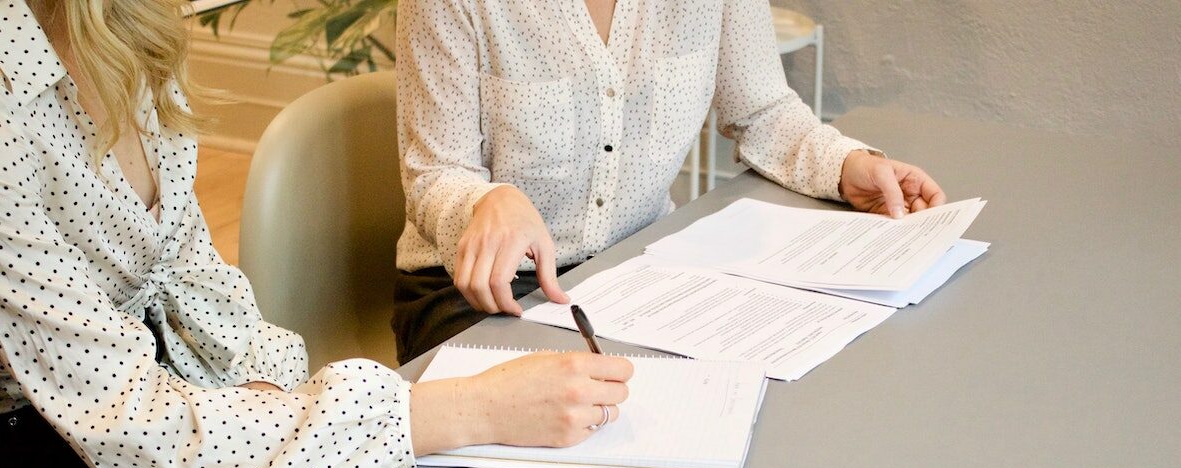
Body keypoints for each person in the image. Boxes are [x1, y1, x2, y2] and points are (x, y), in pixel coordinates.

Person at [0, 0, 632, 468]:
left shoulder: (128, 30)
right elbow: (134, 423)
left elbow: (192, 278)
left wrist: (270, 392)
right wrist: (471, 410)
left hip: (159, 410)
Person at [393, 0, 948, 362]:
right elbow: (434, 172)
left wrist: (847, 165)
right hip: (477, 292)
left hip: (635, 273)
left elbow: (762, 110)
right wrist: (487, 201)